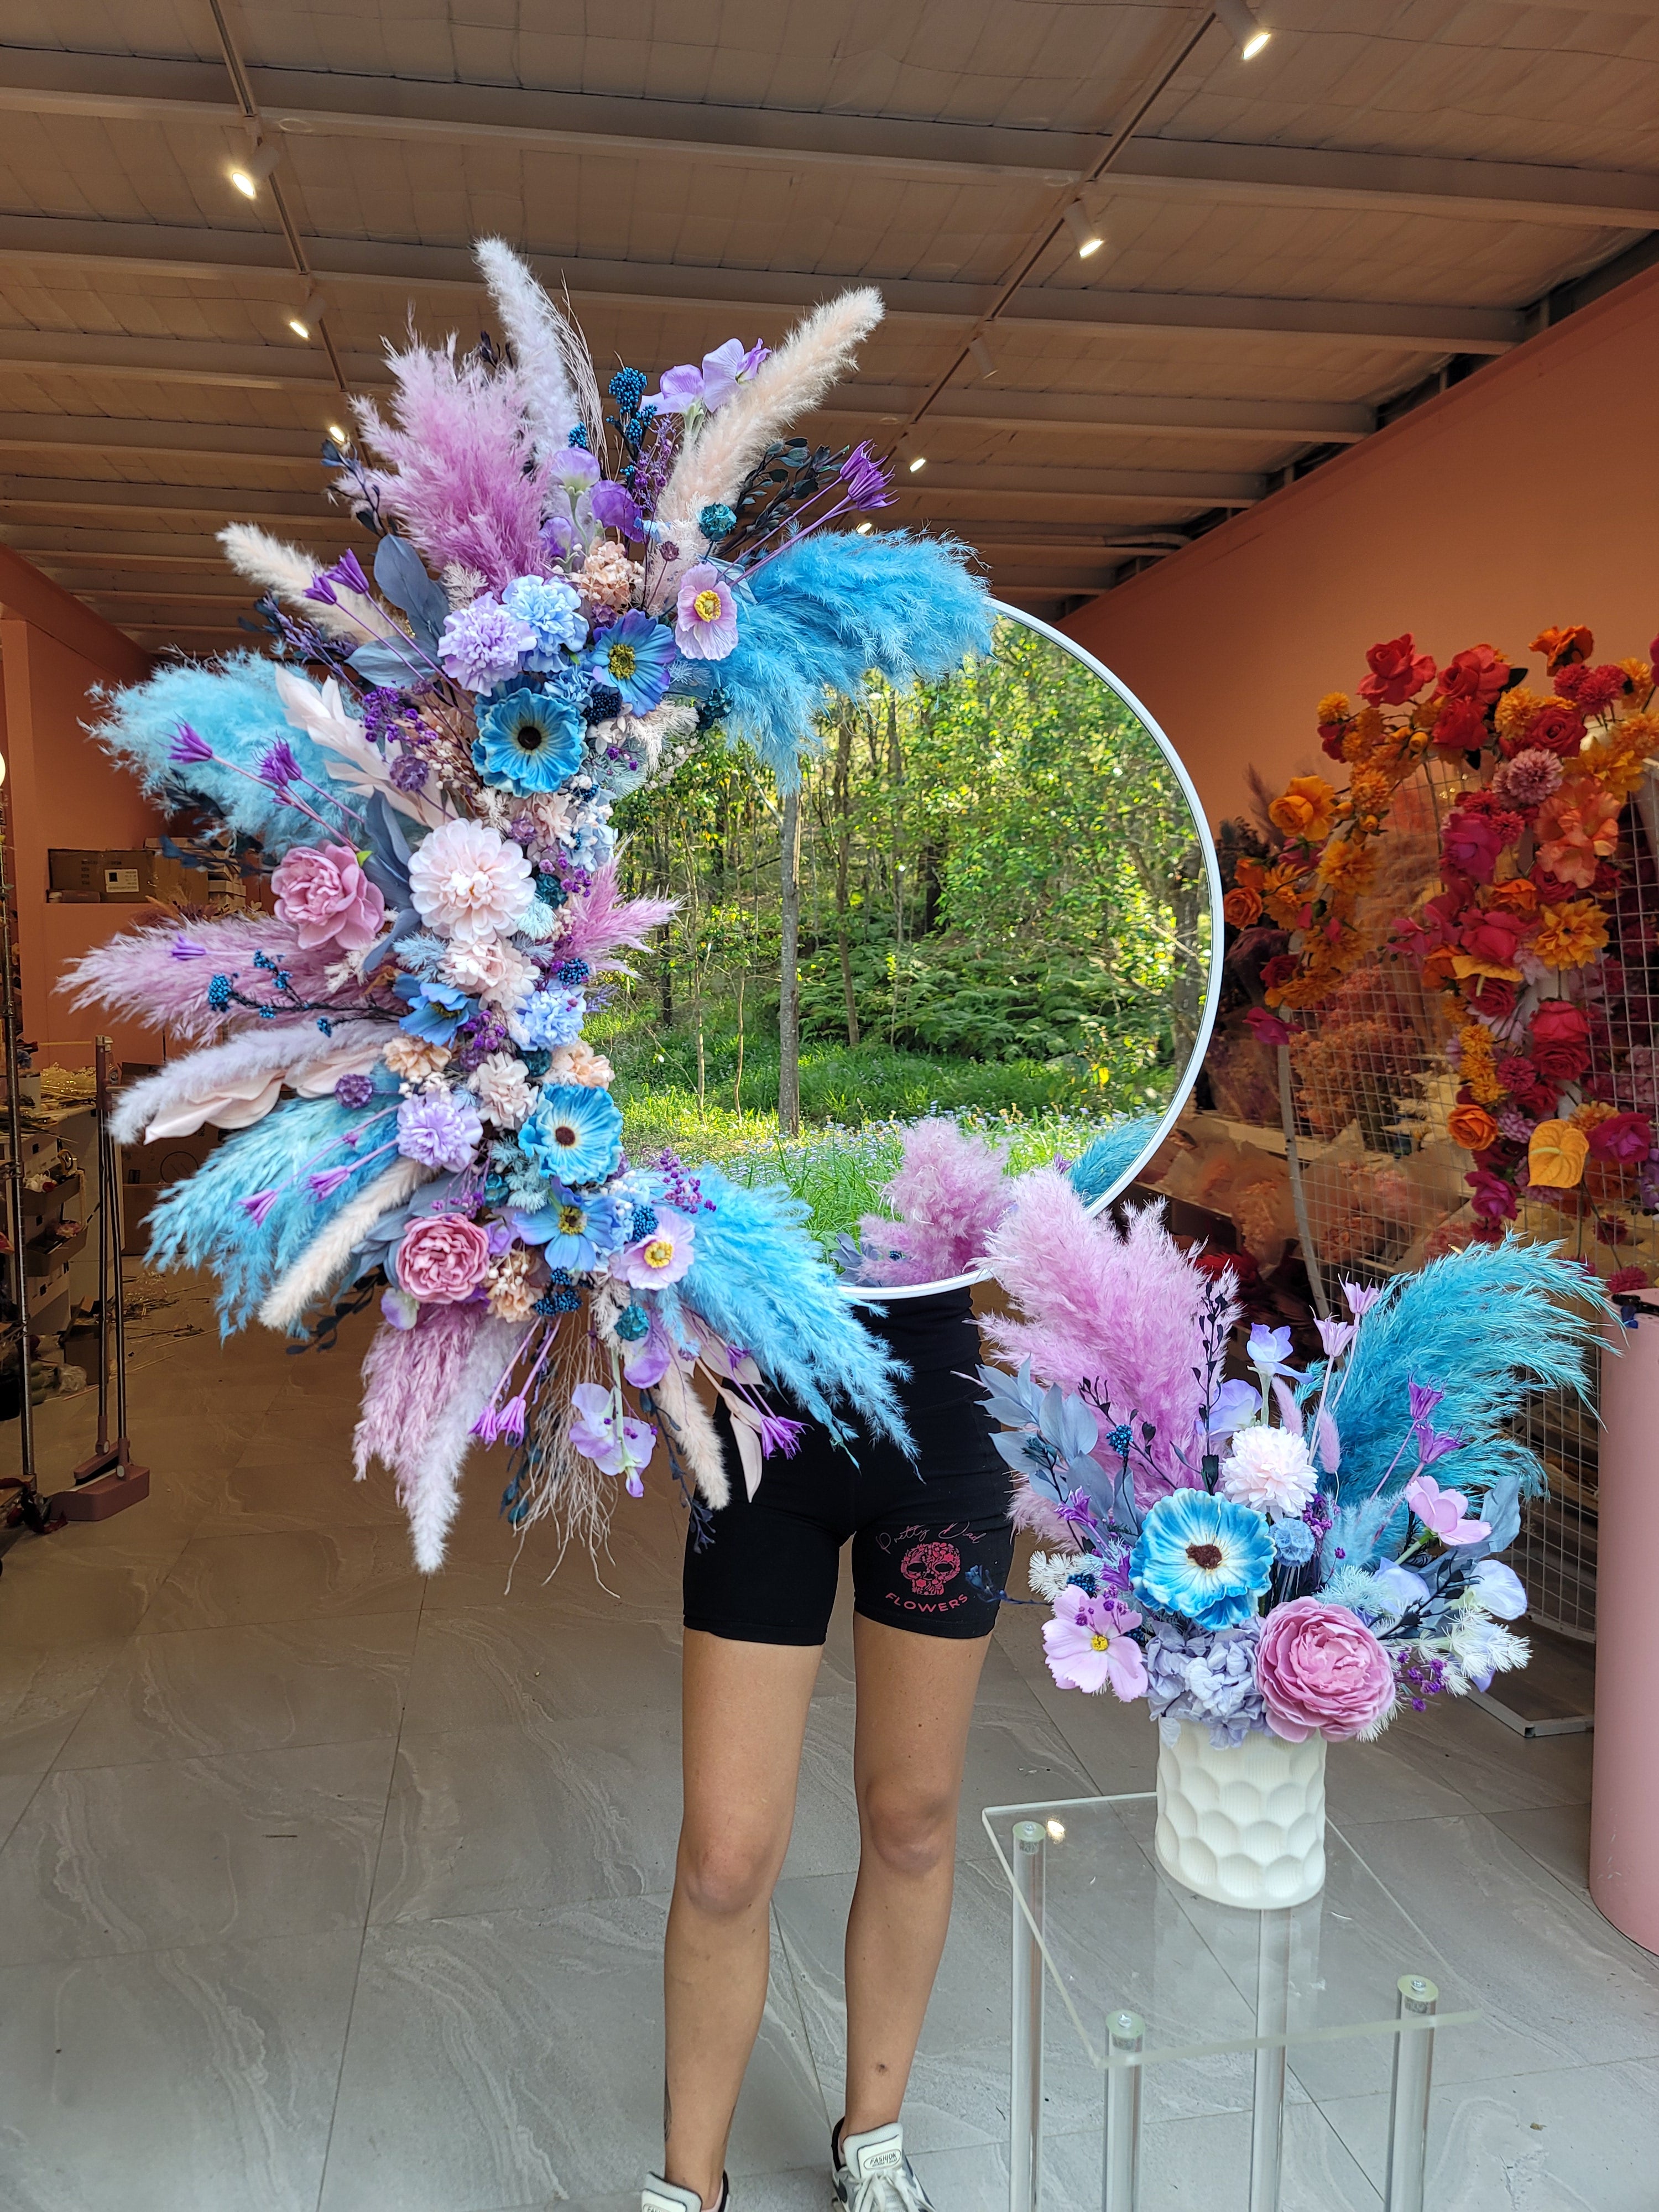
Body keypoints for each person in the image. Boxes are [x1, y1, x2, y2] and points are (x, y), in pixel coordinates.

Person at [642, 1284, 1016, 2212]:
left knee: (911, 1821)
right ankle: (690, 2188)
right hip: (764, 1420)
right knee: (723, 1862)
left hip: (935, 1423)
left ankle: (872, 2146)